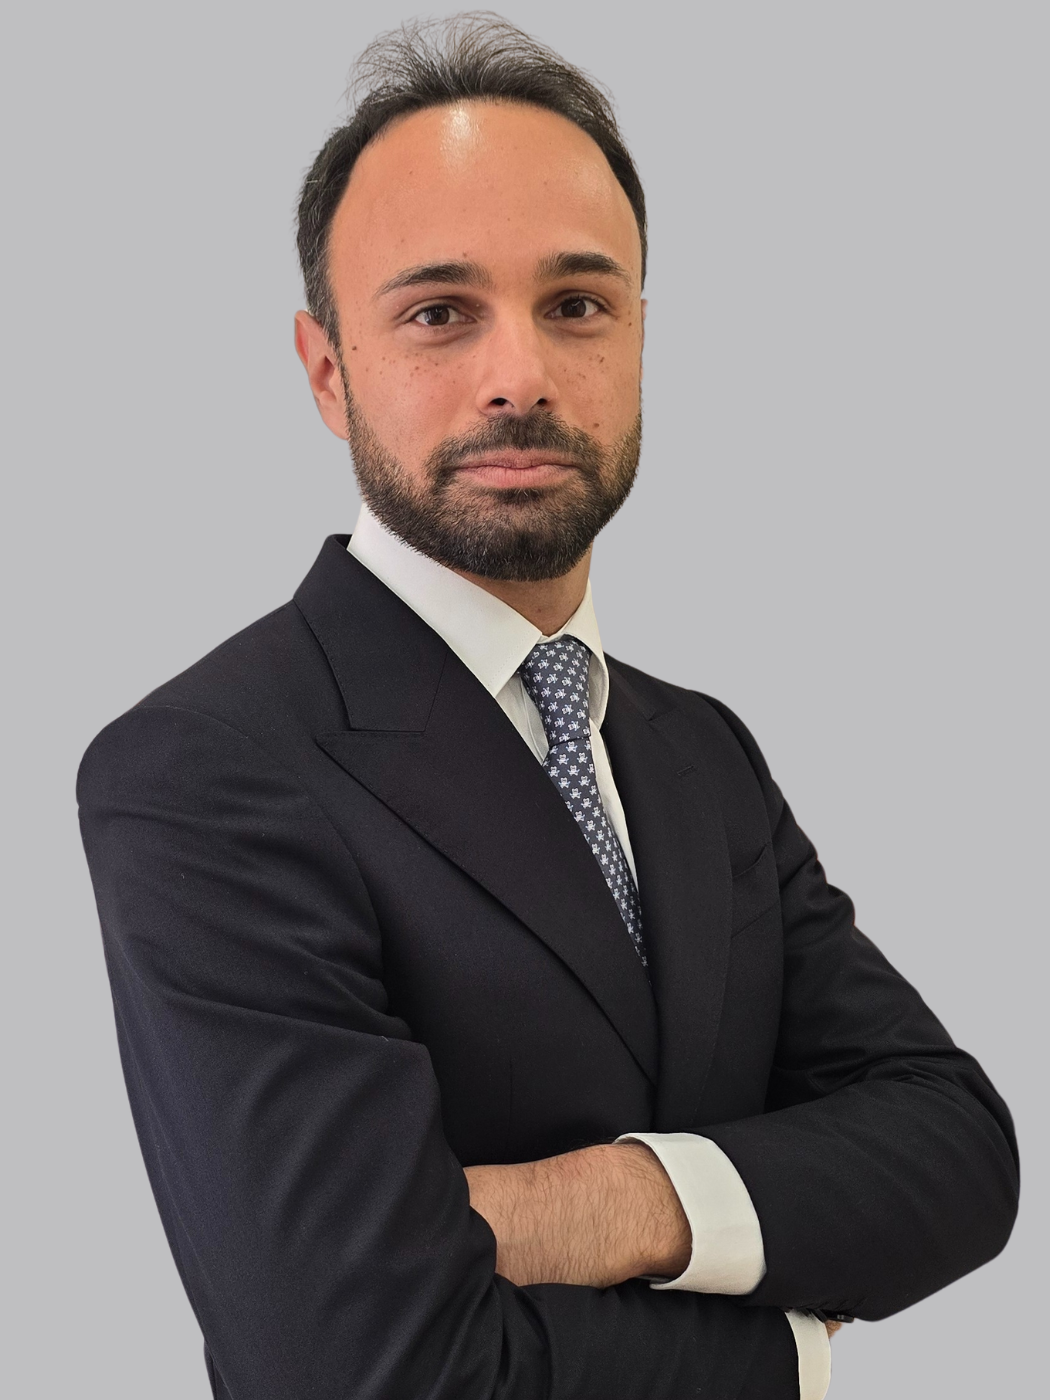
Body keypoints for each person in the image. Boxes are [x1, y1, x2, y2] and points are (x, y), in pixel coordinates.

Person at [77, 15, 1018, 1400]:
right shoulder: (204, 767)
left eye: (577, 304)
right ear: (329, 371)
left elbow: (960, 1153)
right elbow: (358, 1364)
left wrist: (611, 1202)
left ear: (638, 337)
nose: (517, 374)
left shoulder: (698, 752)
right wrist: (790, 1356)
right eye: (438, 312)